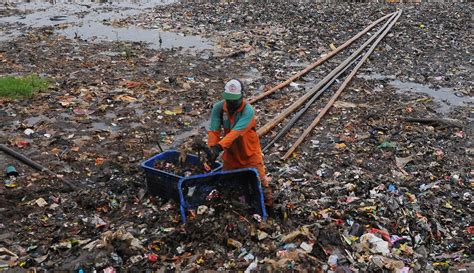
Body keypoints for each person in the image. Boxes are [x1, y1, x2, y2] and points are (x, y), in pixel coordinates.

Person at [207, 79, 273, 208]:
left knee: (261, 185)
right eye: (229, 100)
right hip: (231, 154)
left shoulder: (248, 111)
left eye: (234, 100)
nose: (231, 103)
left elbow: (236, 133)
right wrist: (211, 148)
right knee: (227, 184)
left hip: (249, 152)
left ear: (242, 96)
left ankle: (269, 210)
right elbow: (214, 130)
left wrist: (219, 147)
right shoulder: (219, 108)